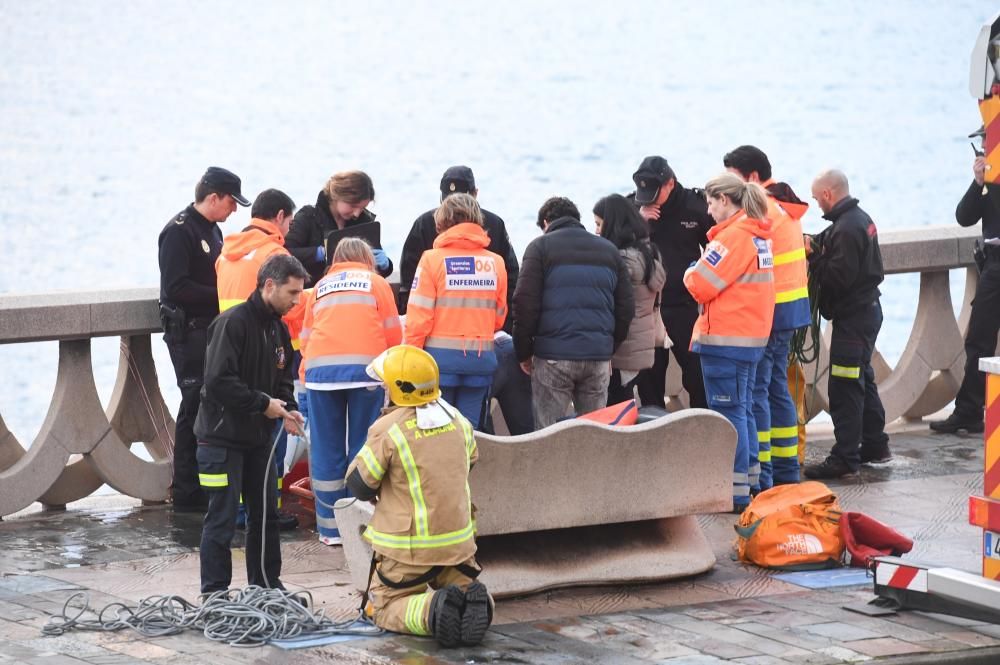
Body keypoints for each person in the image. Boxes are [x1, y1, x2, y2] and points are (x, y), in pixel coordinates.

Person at [345, 345, 492, 647]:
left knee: (383, 606)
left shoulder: (389, 429)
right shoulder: (458, 420)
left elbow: (359, 484)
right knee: (463, 589)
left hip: (407, 549)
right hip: (458, 545)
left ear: (399, 389)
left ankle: (432, 611)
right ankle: (479, 603)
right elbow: (469, 462)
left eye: (387, 383)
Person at [194, 254, 307, 593]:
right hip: (221, 439)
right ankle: (214, 595)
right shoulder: (233, 323)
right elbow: (217, 382)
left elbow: (283, 377)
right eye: (292, 293)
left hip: (260, 440)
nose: (297, 301)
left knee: (266, 517)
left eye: (300, 293)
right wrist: (263, 404)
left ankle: (267, 587)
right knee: (222, 520)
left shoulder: (278, 328)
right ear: (269, 286)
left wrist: (287, 408)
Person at [158, 166, 249, 512]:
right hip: (187, 332)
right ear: (213, 198)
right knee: (193, 403)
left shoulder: (211, 230)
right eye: (231, 202)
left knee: (210, 402)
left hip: (210, 330)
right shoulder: (178, 232)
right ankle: (186, 491)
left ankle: (204, 482)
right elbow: (176, 286)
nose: (234, 210)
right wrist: (222, 295)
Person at [300, 238, 402, 545]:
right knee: (364, 445)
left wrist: (307, 380)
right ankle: (361, 523)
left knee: (326, 449)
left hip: (320, 376)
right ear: (367, 259)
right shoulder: (376, 283)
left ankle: (331, 530)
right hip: (365, 373)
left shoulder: (319, 287)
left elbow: (306, 338)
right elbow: (393, 334)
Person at [683, 173, 774, 513]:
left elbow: (700, 284)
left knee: (730, 414)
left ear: (725, 200)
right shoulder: (757, 236)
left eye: (710, 202)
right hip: (749, 339)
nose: (708, 210)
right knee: (744, 410)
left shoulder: (732, 238)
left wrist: (691, 269)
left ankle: (735, 493)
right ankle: (749, 483)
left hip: (726, 340)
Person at [215, 188, 303, 531]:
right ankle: (268, 509)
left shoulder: (226, 253)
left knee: (238, 437)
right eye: (290, 222)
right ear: (279, 216)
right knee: (271, 435)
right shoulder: (274, 253)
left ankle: (239, 511)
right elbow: (288, 312)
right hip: (268, 349)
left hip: (231, 346)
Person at [724, 146, 811, 486]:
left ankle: (762, 474)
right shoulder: (785, 204)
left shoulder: (761, 211)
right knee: (777, 387)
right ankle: (787, 466)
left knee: (758, 391)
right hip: (790, 309)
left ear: (753, 178)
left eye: (733, 180)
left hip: (768, 312)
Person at [513, 197, 634, 429]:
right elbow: (626, 309)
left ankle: (552, 467)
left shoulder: (540, 247)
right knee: (595, 433)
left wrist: (523, 352)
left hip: (553, 356)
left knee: (549, 434)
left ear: (546, 222)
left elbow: (524, 304)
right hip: (597, 356)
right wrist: (608, 347)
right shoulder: (609, 250)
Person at [803, 169, 890, 479]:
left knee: (844, 387)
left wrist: (813, 258)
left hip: (853, 319)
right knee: (862, 380)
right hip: (865, 313)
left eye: (816, 198)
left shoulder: (847, 228)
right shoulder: (856, 219)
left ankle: (845, 457)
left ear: (828, 194)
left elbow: (836, 279)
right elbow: (828, 244)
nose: (816, 205)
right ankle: (875, 445)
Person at [405, 193, 507, 427]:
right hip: (480, 361)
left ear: (442, 223)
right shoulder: (495, 262)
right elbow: (499, 318)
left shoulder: (431, 260)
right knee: (469, 433)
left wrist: (410, 359)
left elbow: (419, 319)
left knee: (438, 431)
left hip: (438, 365)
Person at [631, 156, 713, 410]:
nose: (649, 200)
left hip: (685, 306)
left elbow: (720, 247)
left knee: (697, 374)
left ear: (670, 184)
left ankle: (704, 431)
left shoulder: (696, 206)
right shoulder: (631, 207)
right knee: (649, 377)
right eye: (644, 194)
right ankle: (654, 435)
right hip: (646, 308)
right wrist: (638, 221)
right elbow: (613, 249)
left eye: (654, 193)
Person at [931, 131, 998, 435]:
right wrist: (979, 183)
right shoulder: (988, 183)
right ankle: (969, 411)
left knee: (980, 340)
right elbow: (964, 216)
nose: (983, 151)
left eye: (987, 144)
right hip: (994, 265)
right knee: (978, 340)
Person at [398, 166, 519, 324]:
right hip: (486, 328)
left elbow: (410, 282)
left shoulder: (424, 224)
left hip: (437, 329)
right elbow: (511, 279)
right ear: (475, 193)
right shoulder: (494, 224)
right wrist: (505, 326)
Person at [594, 194, 667, 404]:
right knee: (626, 403)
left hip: (622, 348)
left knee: (616, 410)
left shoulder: (621, 259)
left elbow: (613, 304)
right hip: (642, 345)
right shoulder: (649, 252)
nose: (597, 231)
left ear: (613, 224)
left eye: (599, 224)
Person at [284, 171, 393, 284]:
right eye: (353, 206)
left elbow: (380, 271)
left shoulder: (364, 223)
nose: (356, 214)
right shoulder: (308, 217)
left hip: (353, 289)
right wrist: (319, 253)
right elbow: (285, 253)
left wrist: (386, 265)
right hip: (313, 290)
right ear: (338, 195)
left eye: (362, 208)